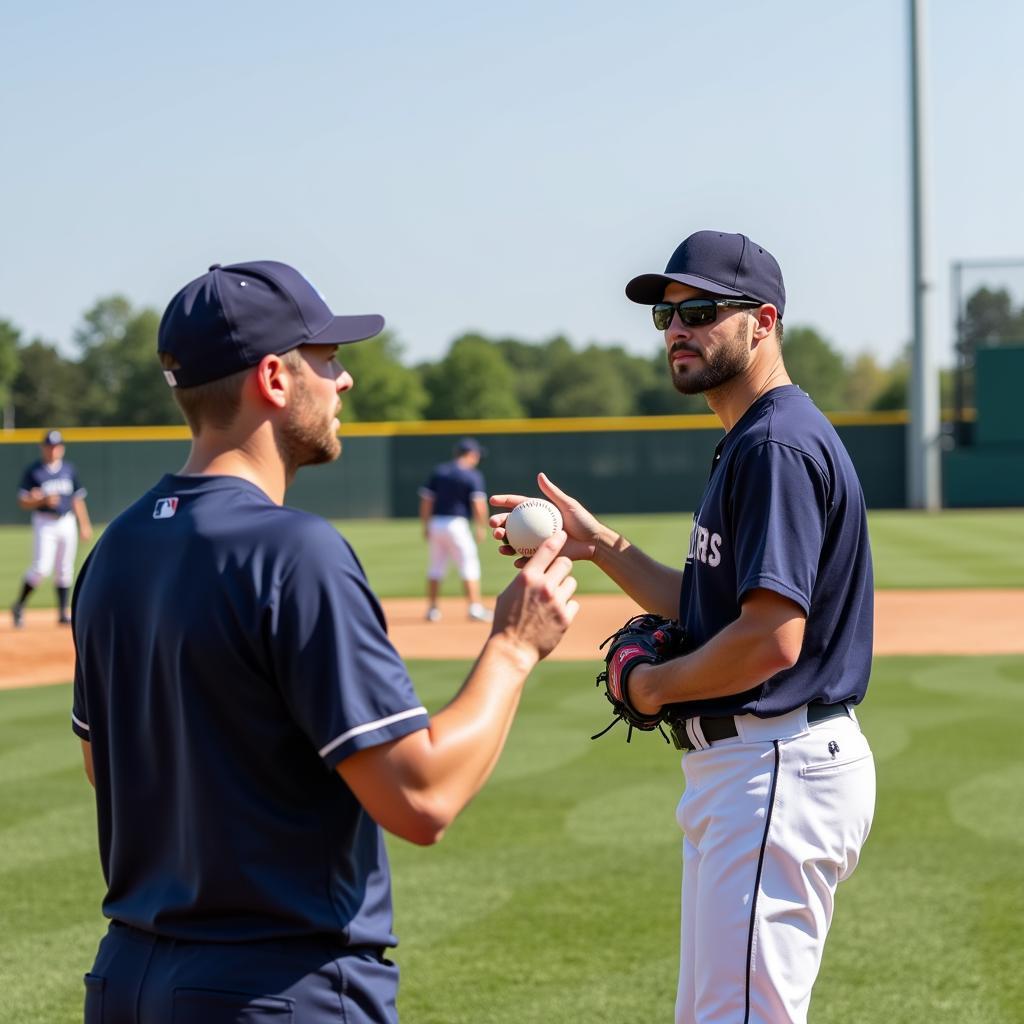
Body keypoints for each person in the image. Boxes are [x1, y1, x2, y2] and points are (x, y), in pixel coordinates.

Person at [71, 260, 578, 1024]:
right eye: (327, 359)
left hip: (125, 984)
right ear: (274, 378)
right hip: (274, 991)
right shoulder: (292, 552)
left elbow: (98, 766)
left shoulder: (114, 549)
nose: (342, 381)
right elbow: (422, 798)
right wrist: (514, 645)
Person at [491, 230, 876, 1024]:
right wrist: (602, 548)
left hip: (775, 763)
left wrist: (653, 685)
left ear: (763, 321)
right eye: (666, 317)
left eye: (700, 311)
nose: (677, 330)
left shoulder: (775, 444)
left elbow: (772, 638)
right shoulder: (750, 439)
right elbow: (709, 606)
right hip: (754, 769)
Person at [12, 429, 93, 627]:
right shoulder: (34, 471)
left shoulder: (69, 469)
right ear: (43, 448)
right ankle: (19, 606)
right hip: (44, 521)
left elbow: (77, 499)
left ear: (62, 448)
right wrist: (40, 499)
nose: (53, 450)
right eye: (49, 446)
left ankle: (62, 612)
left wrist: (84, 524)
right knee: (41, 567)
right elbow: (22, 500)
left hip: (67, 522)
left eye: (56, 446)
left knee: (65, 568)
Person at [418, 437, 492, 623]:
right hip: (457, 525)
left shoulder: (440, 472)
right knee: (469, 564)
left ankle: (432, 610)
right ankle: (474, 608)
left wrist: (426, 525)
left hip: (437, 523)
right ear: (472, 454)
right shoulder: (471, 474)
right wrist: (481, 526)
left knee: (436, 566)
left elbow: (427, 501)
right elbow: (479, 504)